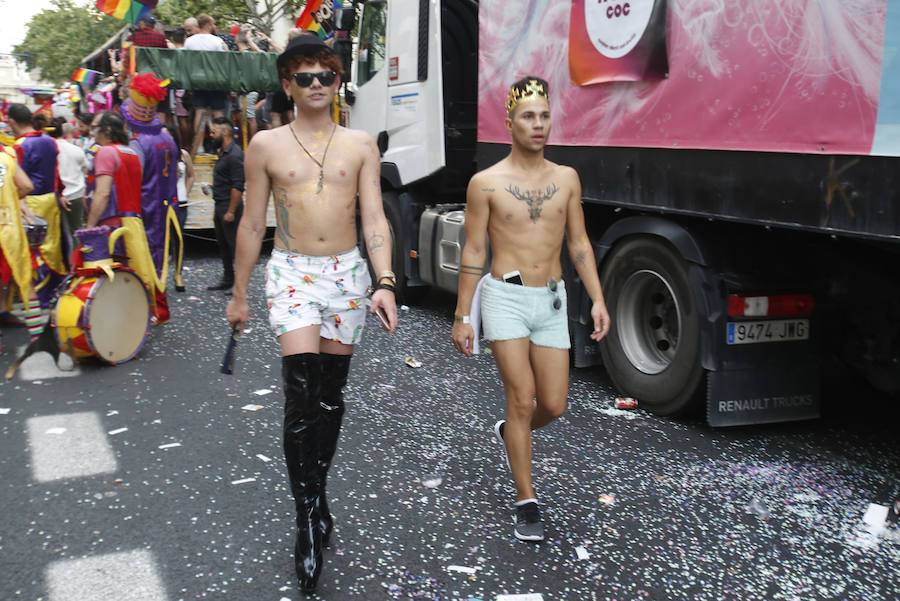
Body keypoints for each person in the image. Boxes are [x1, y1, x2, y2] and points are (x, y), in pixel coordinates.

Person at [225, 35, 398, 593]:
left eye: (326, 74)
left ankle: (316, 492)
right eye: (305, 77)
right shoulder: (266, 146)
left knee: (329, 397)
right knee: (300, 395)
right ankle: (305, 520)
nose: (317, 84)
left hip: (347, 274)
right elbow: (252, 223)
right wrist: (240, 293)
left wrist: (385, 281)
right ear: (287, 84)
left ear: (338, 79)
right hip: (293, 273)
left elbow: (374, 218)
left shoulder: (361, 144)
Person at [451, 77, 610, 542]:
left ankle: (510, 430)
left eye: (544, 115)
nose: (538, 124)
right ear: (509, 123)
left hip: (552, 300)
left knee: (554, 405)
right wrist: (463, 315)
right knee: (522, 398)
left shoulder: (566, 178)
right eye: (528, 116)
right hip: (505, 298)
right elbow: (474, 250)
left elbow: (578, 242)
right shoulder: (486, 183)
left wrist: (598, 297)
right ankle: (527, 501)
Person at [121, 73, 182, 321]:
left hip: (146, 209)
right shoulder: (167, 139)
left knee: (144, 259)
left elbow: (135, 181)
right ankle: (158, 306)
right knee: (160, 258)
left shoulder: (138, 144)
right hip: (168, 206)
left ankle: (153, 308)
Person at [84, 111, 159, 310]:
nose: (92, 133)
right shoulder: (131, 152)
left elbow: (102, 194)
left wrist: (89, 226)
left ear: (107, 130)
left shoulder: (106, 152)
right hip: (132, 223)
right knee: (132, 274)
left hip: (111, 227)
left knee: (111, 279)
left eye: (95, 128)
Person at [8, 104, 66, 319]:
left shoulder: (20, 145)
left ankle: (36, 296)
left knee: (34, 250)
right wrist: (60, 194)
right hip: (51, 199)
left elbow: (19, 180)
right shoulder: (49, 140)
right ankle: (52, 292)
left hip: (29, 201)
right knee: (52, 247)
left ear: (12, 121)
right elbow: (56, 173)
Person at [0, 143, 37, 351]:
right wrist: (11, 197)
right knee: (25, 282)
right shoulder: (6, 158)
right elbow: (27, 186)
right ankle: (36, 336)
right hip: (10, 229)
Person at [205, 117, 243, 291]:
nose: (212, 135)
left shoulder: (235, 154)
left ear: (225, 132)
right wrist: (213, 187)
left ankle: (239, 285)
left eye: (215, 131)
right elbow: (228, 181)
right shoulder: (225, 152)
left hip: (228, 205)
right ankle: (228, 279)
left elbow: (237, 185)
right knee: (224, 245)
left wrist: (231, 211)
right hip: (220, 203)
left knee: (235, 246)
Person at [183, 14, 228, 157]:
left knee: (200, 112)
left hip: (197, 81)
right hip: (215, 81)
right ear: (208, 24)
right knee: (218, 113)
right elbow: (225, 59)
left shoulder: (189, 42)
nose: (214, 26)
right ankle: (220, 144)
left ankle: (200, 146)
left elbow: (185, 60)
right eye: (213, 24)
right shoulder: (217, 41)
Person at [48, 117, 87, 249]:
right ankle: (78, 264)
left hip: (55, 197)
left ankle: (63, 264)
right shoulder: (75, 149)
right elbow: (86, 168)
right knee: (76, 231)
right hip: (76, 195)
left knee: (57, 233)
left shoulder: (46, 150)